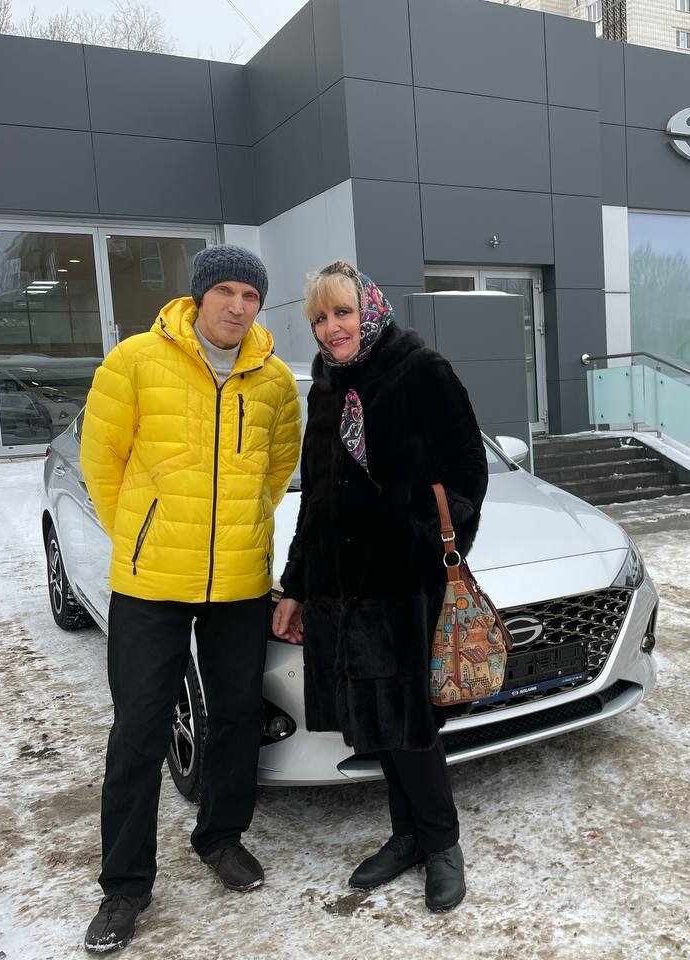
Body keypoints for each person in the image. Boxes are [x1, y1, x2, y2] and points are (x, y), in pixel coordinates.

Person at [78, 244, 301, 954]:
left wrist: (242, 528)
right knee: (138, 731)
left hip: (238, 580)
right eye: (226, 291)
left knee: (236, 716)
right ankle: (125, 886)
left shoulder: (273, 380)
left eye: (251, 296)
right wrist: (141, 535)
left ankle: (221, 837)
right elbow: (101, 461)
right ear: (200, 295)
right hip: (151, 584)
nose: (238, 306)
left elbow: (277, 468)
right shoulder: (135, 361)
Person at [271, 261, 488, 913]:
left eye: (341, 312)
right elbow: (315, 500)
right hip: (339, 588)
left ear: (368, 310)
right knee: (377, 719)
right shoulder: (326, 388)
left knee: (411, 723)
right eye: (319, 318)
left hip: (402, 582)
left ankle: (441, 843)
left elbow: (468, 472)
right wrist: (296, 586)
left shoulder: (421, 370)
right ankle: (406, 836)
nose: (331, 328)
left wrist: (418, 532)